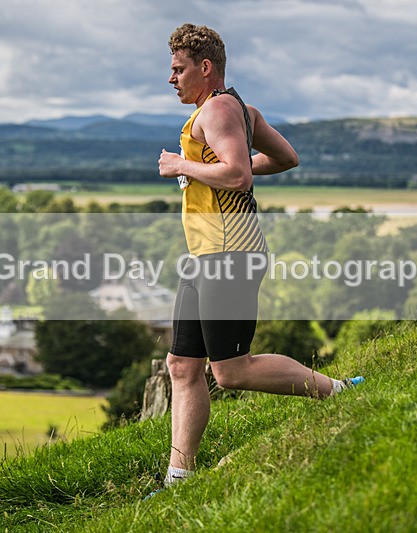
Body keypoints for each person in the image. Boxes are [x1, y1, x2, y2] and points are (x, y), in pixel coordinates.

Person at [154, 23, 363, 492]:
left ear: (205, 68)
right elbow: (286, 157)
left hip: (231, 254)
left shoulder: (220, 110)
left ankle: (339, 392)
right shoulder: (244, 110)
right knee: (183, 365)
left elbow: (237, 177)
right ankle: (178, 477)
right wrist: (235, 165)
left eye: (178, 69)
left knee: (230, 371)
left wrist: (180, 165)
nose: (172, 78)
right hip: (205, 254)